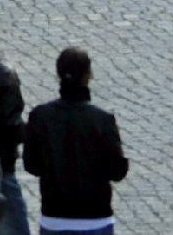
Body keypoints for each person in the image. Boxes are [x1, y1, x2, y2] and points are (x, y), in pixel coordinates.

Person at [19, 46, 126, 235]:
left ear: (58, 74)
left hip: (54, 217)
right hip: (96, 218)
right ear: (88, 75)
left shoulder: (40, 116)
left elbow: (31, 165)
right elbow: (117, 171)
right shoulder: (103, 120)